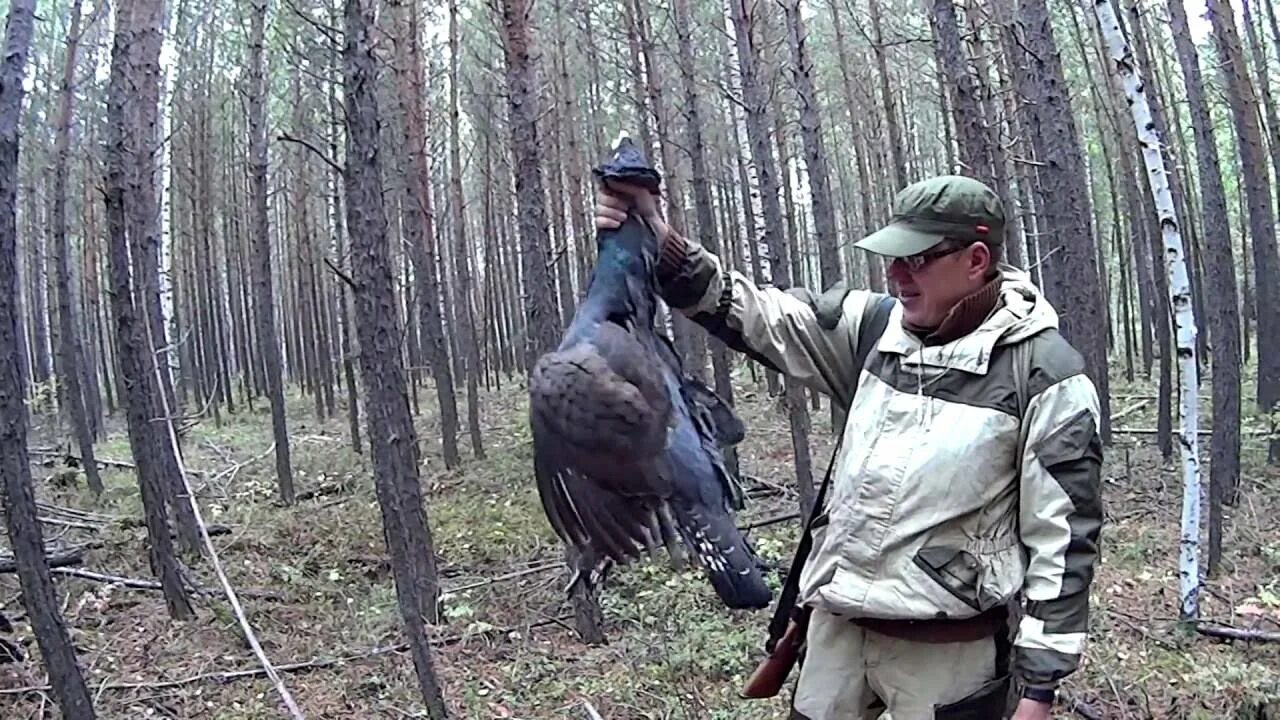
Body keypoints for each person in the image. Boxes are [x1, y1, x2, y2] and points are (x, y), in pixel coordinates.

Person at [593, 174, 1103, 720]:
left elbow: (1063, 540)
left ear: (976, 260)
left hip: (950, 651)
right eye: (892, 258)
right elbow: (757, 314)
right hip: (835, 631)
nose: (896, 274)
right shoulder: (875, 329)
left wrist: (1039, 688)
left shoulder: (1045, 376)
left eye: (917, 259)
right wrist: (657, 236)